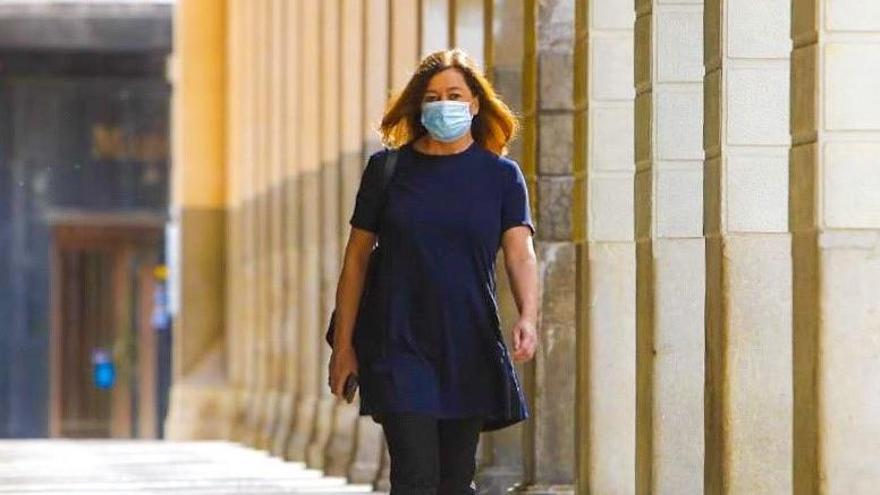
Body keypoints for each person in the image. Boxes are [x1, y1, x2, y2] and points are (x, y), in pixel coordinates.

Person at [328, 48, 539, 494]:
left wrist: (528, 317)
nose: (443, 104)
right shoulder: (387, 170)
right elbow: (357, 260)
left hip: (468, 343)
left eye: (454, 94)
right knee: (415, 477)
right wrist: (344, 346)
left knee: (456, 481)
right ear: (419, 107)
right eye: (432, 96)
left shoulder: (501, 177)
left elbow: (520, 254)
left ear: (475, 103)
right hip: (398, 343)